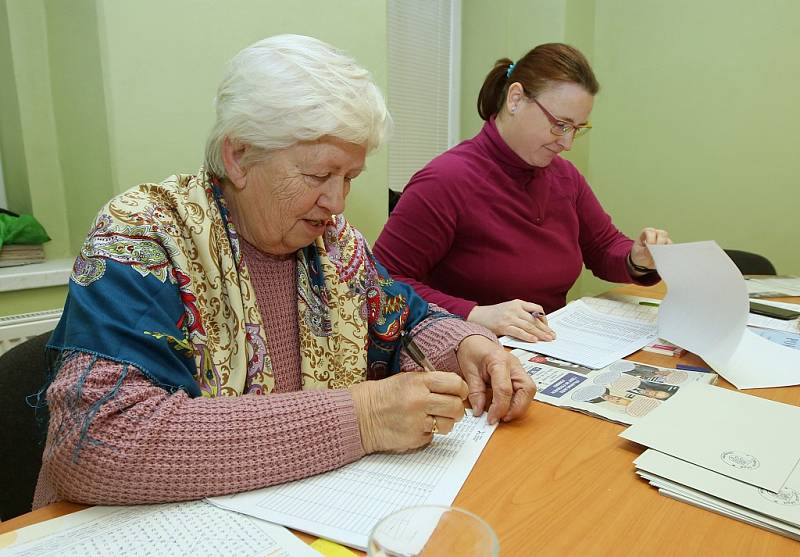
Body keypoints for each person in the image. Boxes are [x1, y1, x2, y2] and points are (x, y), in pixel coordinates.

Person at [32, 35, 535, 508]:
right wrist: (359, 418)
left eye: (350, 178)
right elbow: (95, 442)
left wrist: (468, 346)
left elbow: (406, 319)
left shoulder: (335, 245)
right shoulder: (142, 237)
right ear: (239, 155)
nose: (337, 203)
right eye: (318, 175)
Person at [373, 43, 672, 343]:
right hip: (467, 352)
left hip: (551, 349)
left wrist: (636, 258)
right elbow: (383, 281)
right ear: (515, 99)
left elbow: (604, 245)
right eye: (559, 125)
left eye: (577, 128)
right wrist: (476, 314)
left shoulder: (565, 177)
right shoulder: (445, 180)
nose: (567, 143)